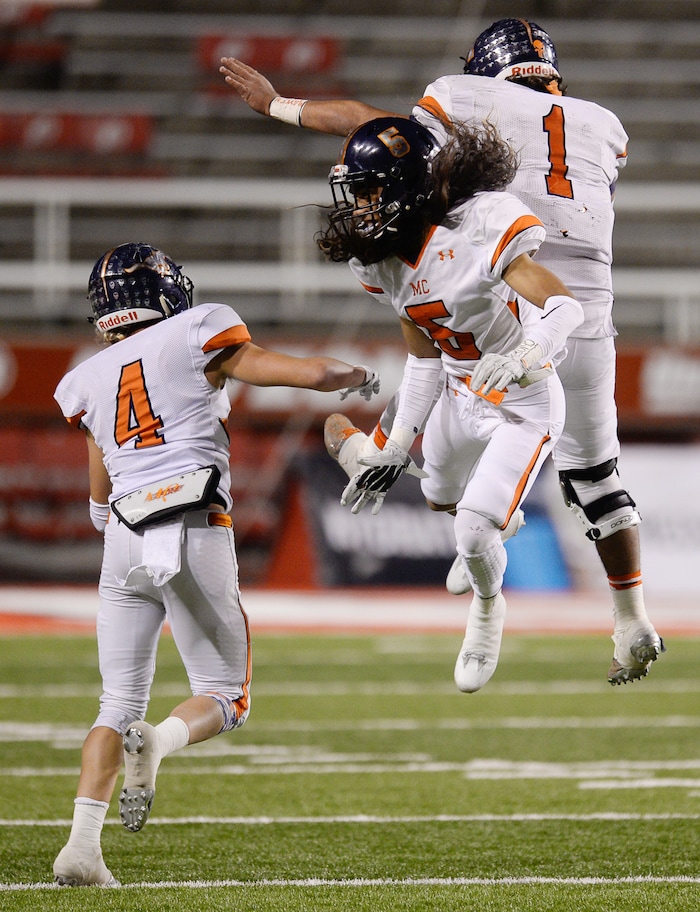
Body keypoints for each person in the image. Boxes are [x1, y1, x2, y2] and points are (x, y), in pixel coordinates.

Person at [220, 18, 664, 687]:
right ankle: (630, 617)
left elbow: (371, 123)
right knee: (596, 478)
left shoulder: (460, 99)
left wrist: (278, 106)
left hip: (506, 295)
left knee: (455, 389)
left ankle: (473, 516)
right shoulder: (603, 122)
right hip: (588, 318)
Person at [51, 242, 380, 887]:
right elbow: (300, 374)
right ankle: (163, 742)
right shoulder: (197, 328)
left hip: (123, 532)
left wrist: (119, 528)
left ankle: (81, 848)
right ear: (166, 291)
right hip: (192, 520)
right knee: (227, 696)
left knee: (114, 702)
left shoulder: (85, 376)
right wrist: (355, 377)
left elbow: (97, 494)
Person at [316, 115, 584, 699]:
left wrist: (527, 354)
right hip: (460, 391)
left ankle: (489, 610)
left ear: (408, 186)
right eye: (355, 193)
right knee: (439, 495)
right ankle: (492, 528)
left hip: (522, 400)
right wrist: (392, 447)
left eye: (370, 191)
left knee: (470, 528)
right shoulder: (382, 262)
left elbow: (566, 308)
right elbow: (424, 359)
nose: (359, 207)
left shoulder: (479, 227)